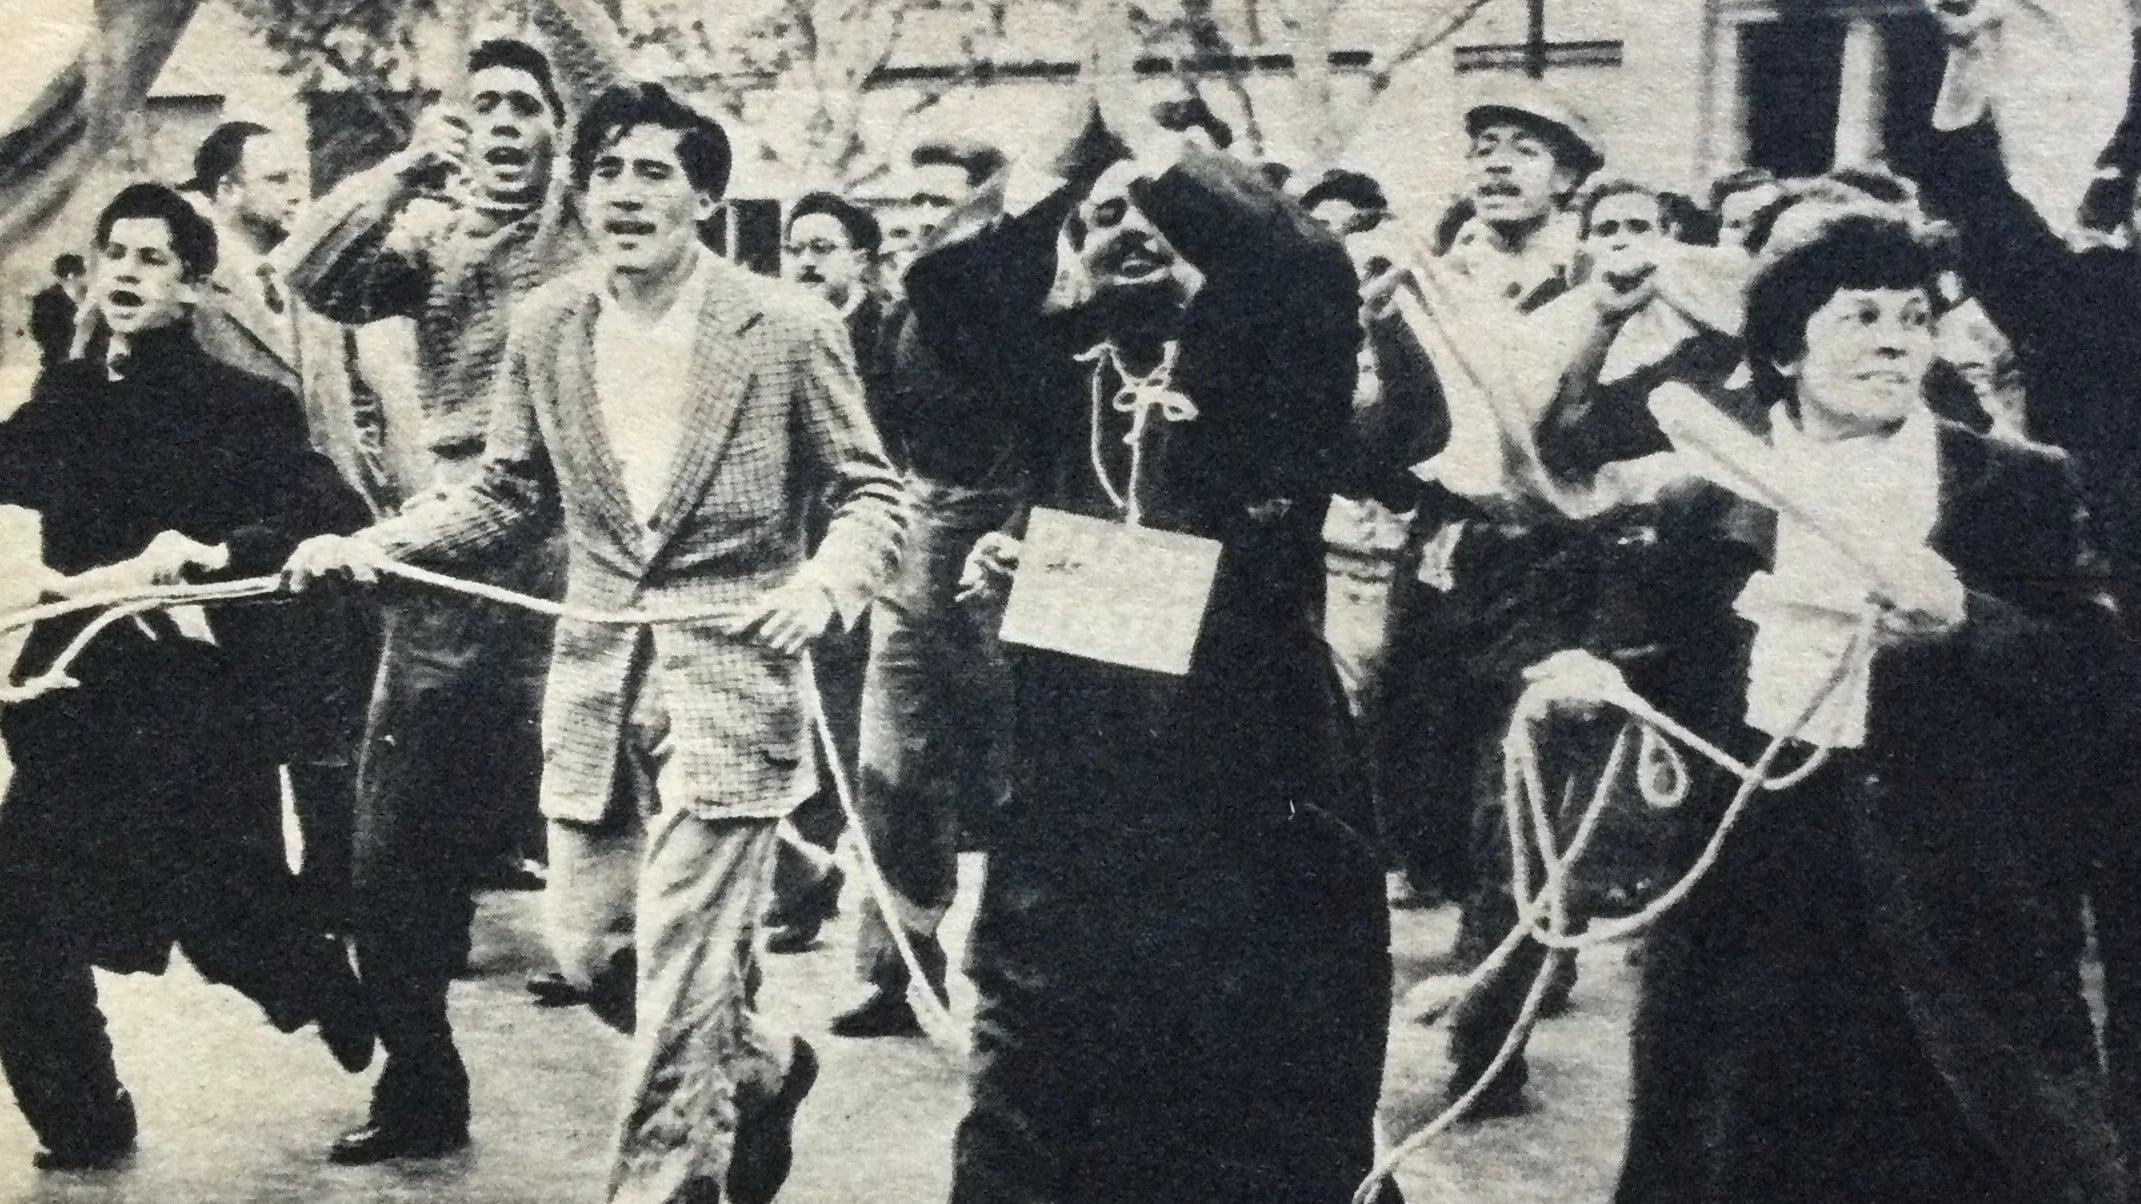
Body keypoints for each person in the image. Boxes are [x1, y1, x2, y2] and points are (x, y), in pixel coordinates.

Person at [285, 81, 908, 1204]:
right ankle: (761, 1068)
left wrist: (823, 583)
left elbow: (871, 493)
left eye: (653, 172)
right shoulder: (548, 327)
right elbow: (505, 495)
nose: (624, 193)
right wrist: (372, 544)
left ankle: (660, 1187)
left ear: (704, 197)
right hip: (595, 684)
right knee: (591, 955)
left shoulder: (786, 328)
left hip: (728, 682)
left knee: (677, 973)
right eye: (607, 170)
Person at [909, 103, 1427, 1201]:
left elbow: (1300, 266)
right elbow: (952, 297)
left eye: (1161, 220)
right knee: (1030, 1123)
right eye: (1102, 220)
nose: (1129, 228)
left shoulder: (1271, 380)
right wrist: (1055, 164)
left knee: (1253, 1128)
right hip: (1071, 822)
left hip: (1256, 818)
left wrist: (1150, 150)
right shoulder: (1056, 380)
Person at [1614, 202, 2128, 1204]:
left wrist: (1969, 622)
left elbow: (2099, 685)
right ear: (1782, 347)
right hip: (1757, 893)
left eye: (1911, 315)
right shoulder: (1705, 497)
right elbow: (1665, 683)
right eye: (1858, 316)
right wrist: (1590, 684)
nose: (1894, 338)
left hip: (1951, 904)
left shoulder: (2009, 487)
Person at [0, 182, 374, 1171]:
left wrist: (212, 550)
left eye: (152, 257)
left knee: (227, 917)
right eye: (114, 253)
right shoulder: (69, 397)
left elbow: (322, 502)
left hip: (188, 713)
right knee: (15, 909)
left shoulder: (241, 406)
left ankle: (321, 985)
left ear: (195, 286)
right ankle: (84, 1115)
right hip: (75, 705)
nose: (126, 273)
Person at [280, 35, 579, 1165]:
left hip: (571, 560)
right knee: (391, 854)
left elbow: (602, 85)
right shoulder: (432, 236)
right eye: (484, 105)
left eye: (525, 106)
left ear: (561, 130)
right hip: (445, 562)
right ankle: (422, 1087)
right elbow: (309, 271)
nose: (504, 125)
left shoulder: (590, 225)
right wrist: (405, 166)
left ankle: (729, 1064)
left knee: (601, 864)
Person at [1374, 85, 1603, 1067]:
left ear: (1567, 176)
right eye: (1484, 147)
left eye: (1524, 148)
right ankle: (1522, 945)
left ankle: (1486, 1030)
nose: (1498, 164)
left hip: (1549, 559)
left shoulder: (1601, 281)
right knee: (1418, 781)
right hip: (1439, 547)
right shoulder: (1427, 276)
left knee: (1506, 792)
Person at [187, 116, 382, 936]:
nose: (295, 193)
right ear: (226, 191)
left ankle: (334, 888)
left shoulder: (316, 280)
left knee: (338, 714)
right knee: (259, 719)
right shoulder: (193, 288)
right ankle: (264, 897)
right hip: (246, 536)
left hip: (338, 524)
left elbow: (355, 395)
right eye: (274, 179)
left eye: (298, 176)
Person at [760, 188, 890, 954]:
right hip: (789, 550)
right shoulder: (774, 333)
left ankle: (811, 885)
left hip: (864, 554)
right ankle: (805, 870)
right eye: (795, 248)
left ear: (861, 261)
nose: (806, 262)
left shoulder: (888, 334)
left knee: (842, 722)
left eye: (823, 248)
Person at [26, 253, 84, 365]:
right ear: (71, 276)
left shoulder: (80, 298)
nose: (82, 280)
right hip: (57, 360)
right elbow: (41, 331)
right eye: (80, 275)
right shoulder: (47, 299)